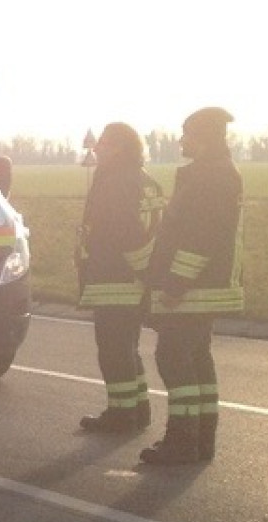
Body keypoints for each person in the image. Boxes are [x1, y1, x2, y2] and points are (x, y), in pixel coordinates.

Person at [141, 106, 244, 465]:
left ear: (204, 138)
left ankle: (183, 442)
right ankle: (200, 439)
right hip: (204, 286)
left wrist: (174, 284)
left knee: (173, 358)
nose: (182, 140)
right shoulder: (213, 174)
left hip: (193, 288)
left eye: (187, 134)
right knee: (197, 359)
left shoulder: (210, 178)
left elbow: (200, 238)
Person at [74, 122, 164, 433]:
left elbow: (125, 233)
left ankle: (122, 414)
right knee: (128, 348)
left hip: (115, 279)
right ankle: (138, 409)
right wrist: (148, 276)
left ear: (120, 148)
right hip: (136, 282)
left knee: (113, 350)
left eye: (104, 144)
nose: (96, 149)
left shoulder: (114, 183)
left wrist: (139, 269)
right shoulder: (147, 181)